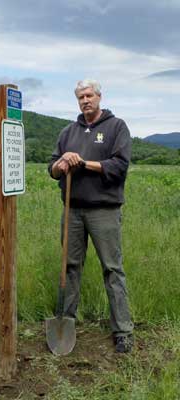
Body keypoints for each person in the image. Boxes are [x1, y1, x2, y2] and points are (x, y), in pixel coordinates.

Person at [48, 79, 134, 353]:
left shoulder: (116, 127)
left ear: (99, 96)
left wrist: (83, 163)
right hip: (72, 209)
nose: (85, 100)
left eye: (89, 95)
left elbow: (119, 166)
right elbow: (52, 169)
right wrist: (61, 164)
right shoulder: (67, 132)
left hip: (103, 211)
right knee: (70, 267)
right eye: (80, 97)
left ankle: (122, 331)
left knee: (112, 269)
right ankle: (66, 322)